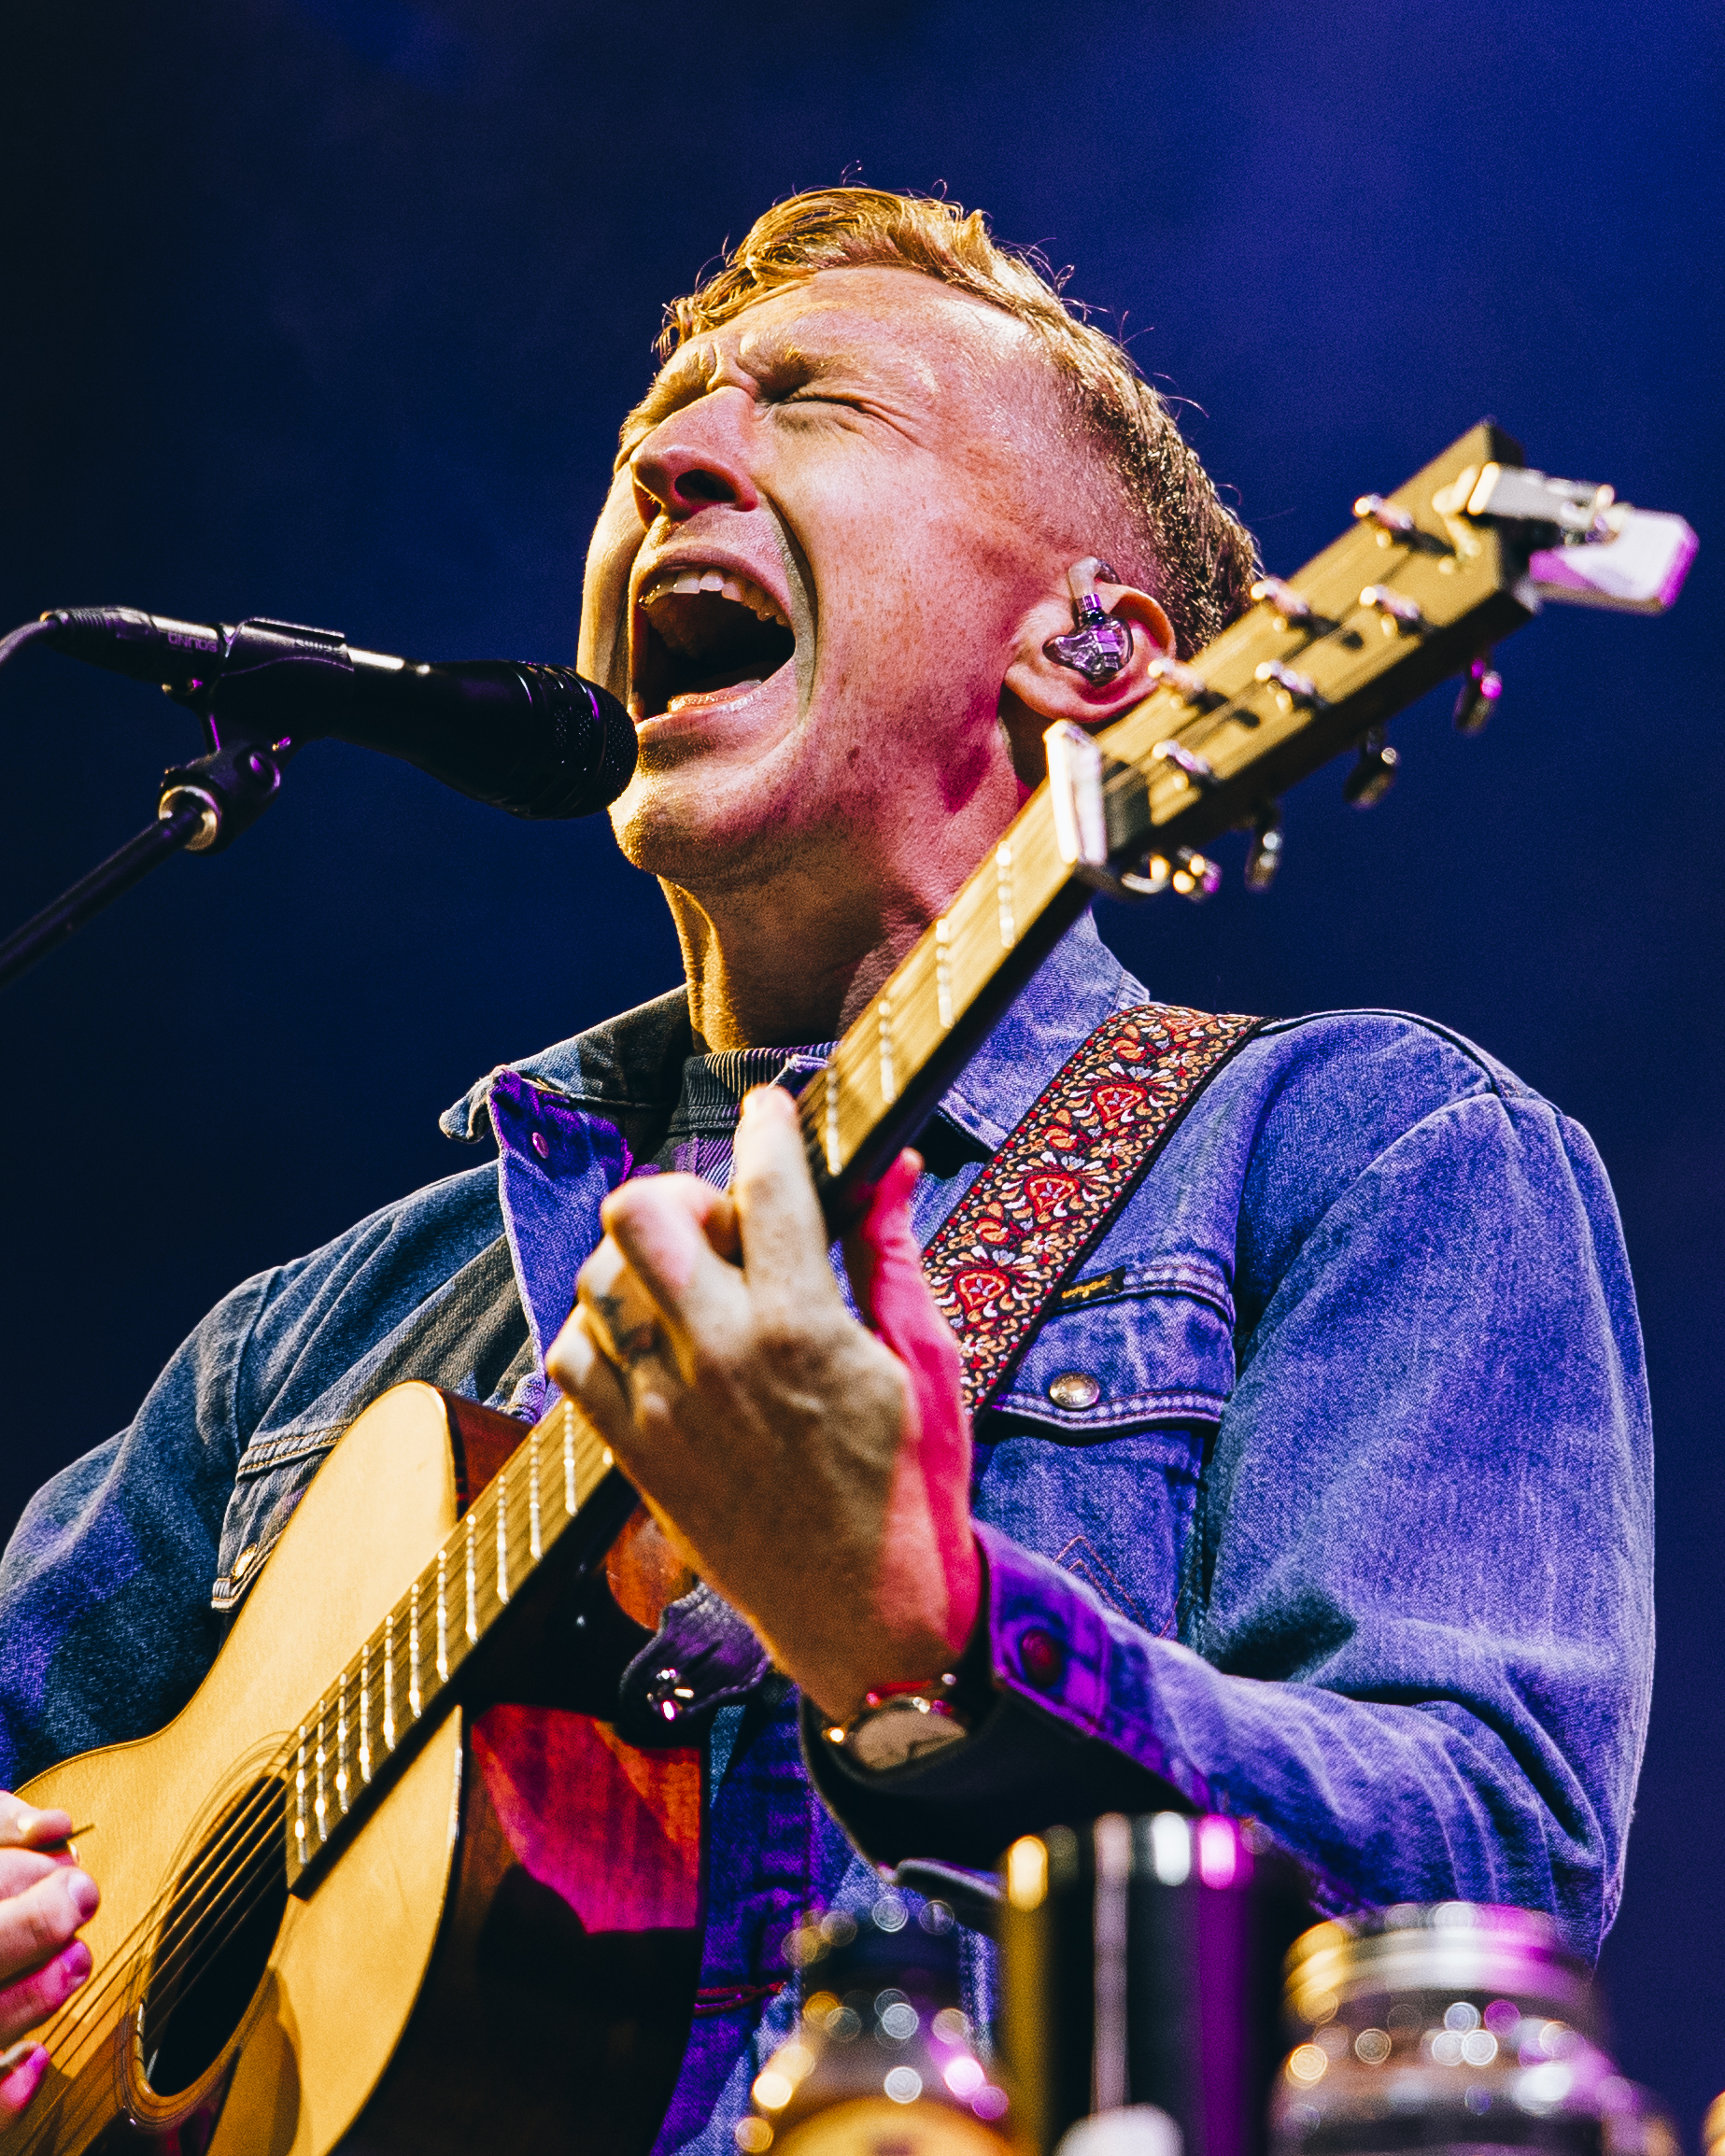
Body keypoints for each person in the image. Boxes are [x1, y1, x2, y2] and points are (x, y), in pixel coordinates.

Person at [0, 190, 1652, 2152]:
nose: (669, 460)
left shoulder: (1366, 1159)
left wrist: (930, 1646)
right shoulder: (314, 1338)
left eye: (812, 405)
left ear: (1102, 651)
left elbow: (1472, 1907)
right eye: (656, 433)